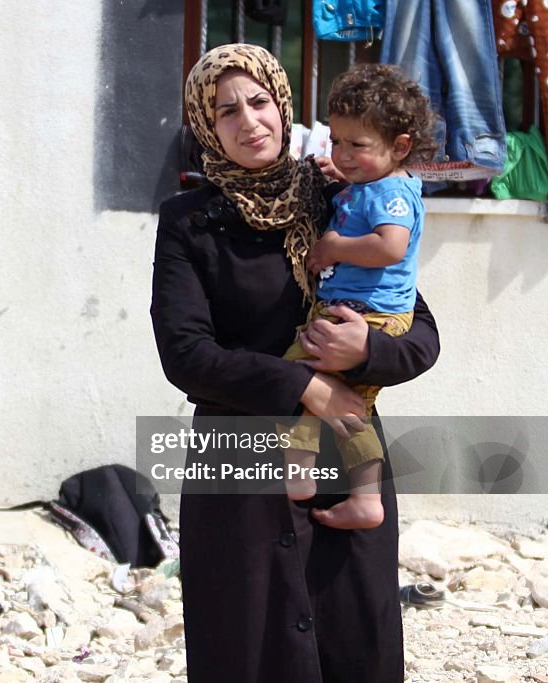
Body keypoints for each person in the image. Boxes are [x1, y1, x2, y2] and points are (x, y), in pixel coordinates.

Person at [150, 43, 440, 682]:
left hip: (346, 453)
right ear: (205, 124)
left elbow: (422, 334)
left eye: (259, 102)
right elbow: (186, 354)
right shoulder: (189, 222)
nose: (248, 121)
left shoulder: (338, 196)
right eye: (226, 111)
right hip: (239, 459)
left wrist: (369, 351)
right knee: (249, 649)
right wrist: (305, 384)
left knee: (353, 646)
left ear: (282, 107)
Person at [280, 63, 437, 531]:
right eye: (337, 141)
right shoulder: (372, 184)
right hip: (362, 314)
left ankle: (303, 471)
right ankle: (343, 490)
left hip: (370, 319)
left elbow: (389, 246)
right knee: (340, 402)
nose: (343, 154)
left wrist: (333, 248)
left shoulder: (390, 192)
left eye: (357, 145)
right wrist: (344, 177)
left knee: (296, 376)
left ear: (401, 147)